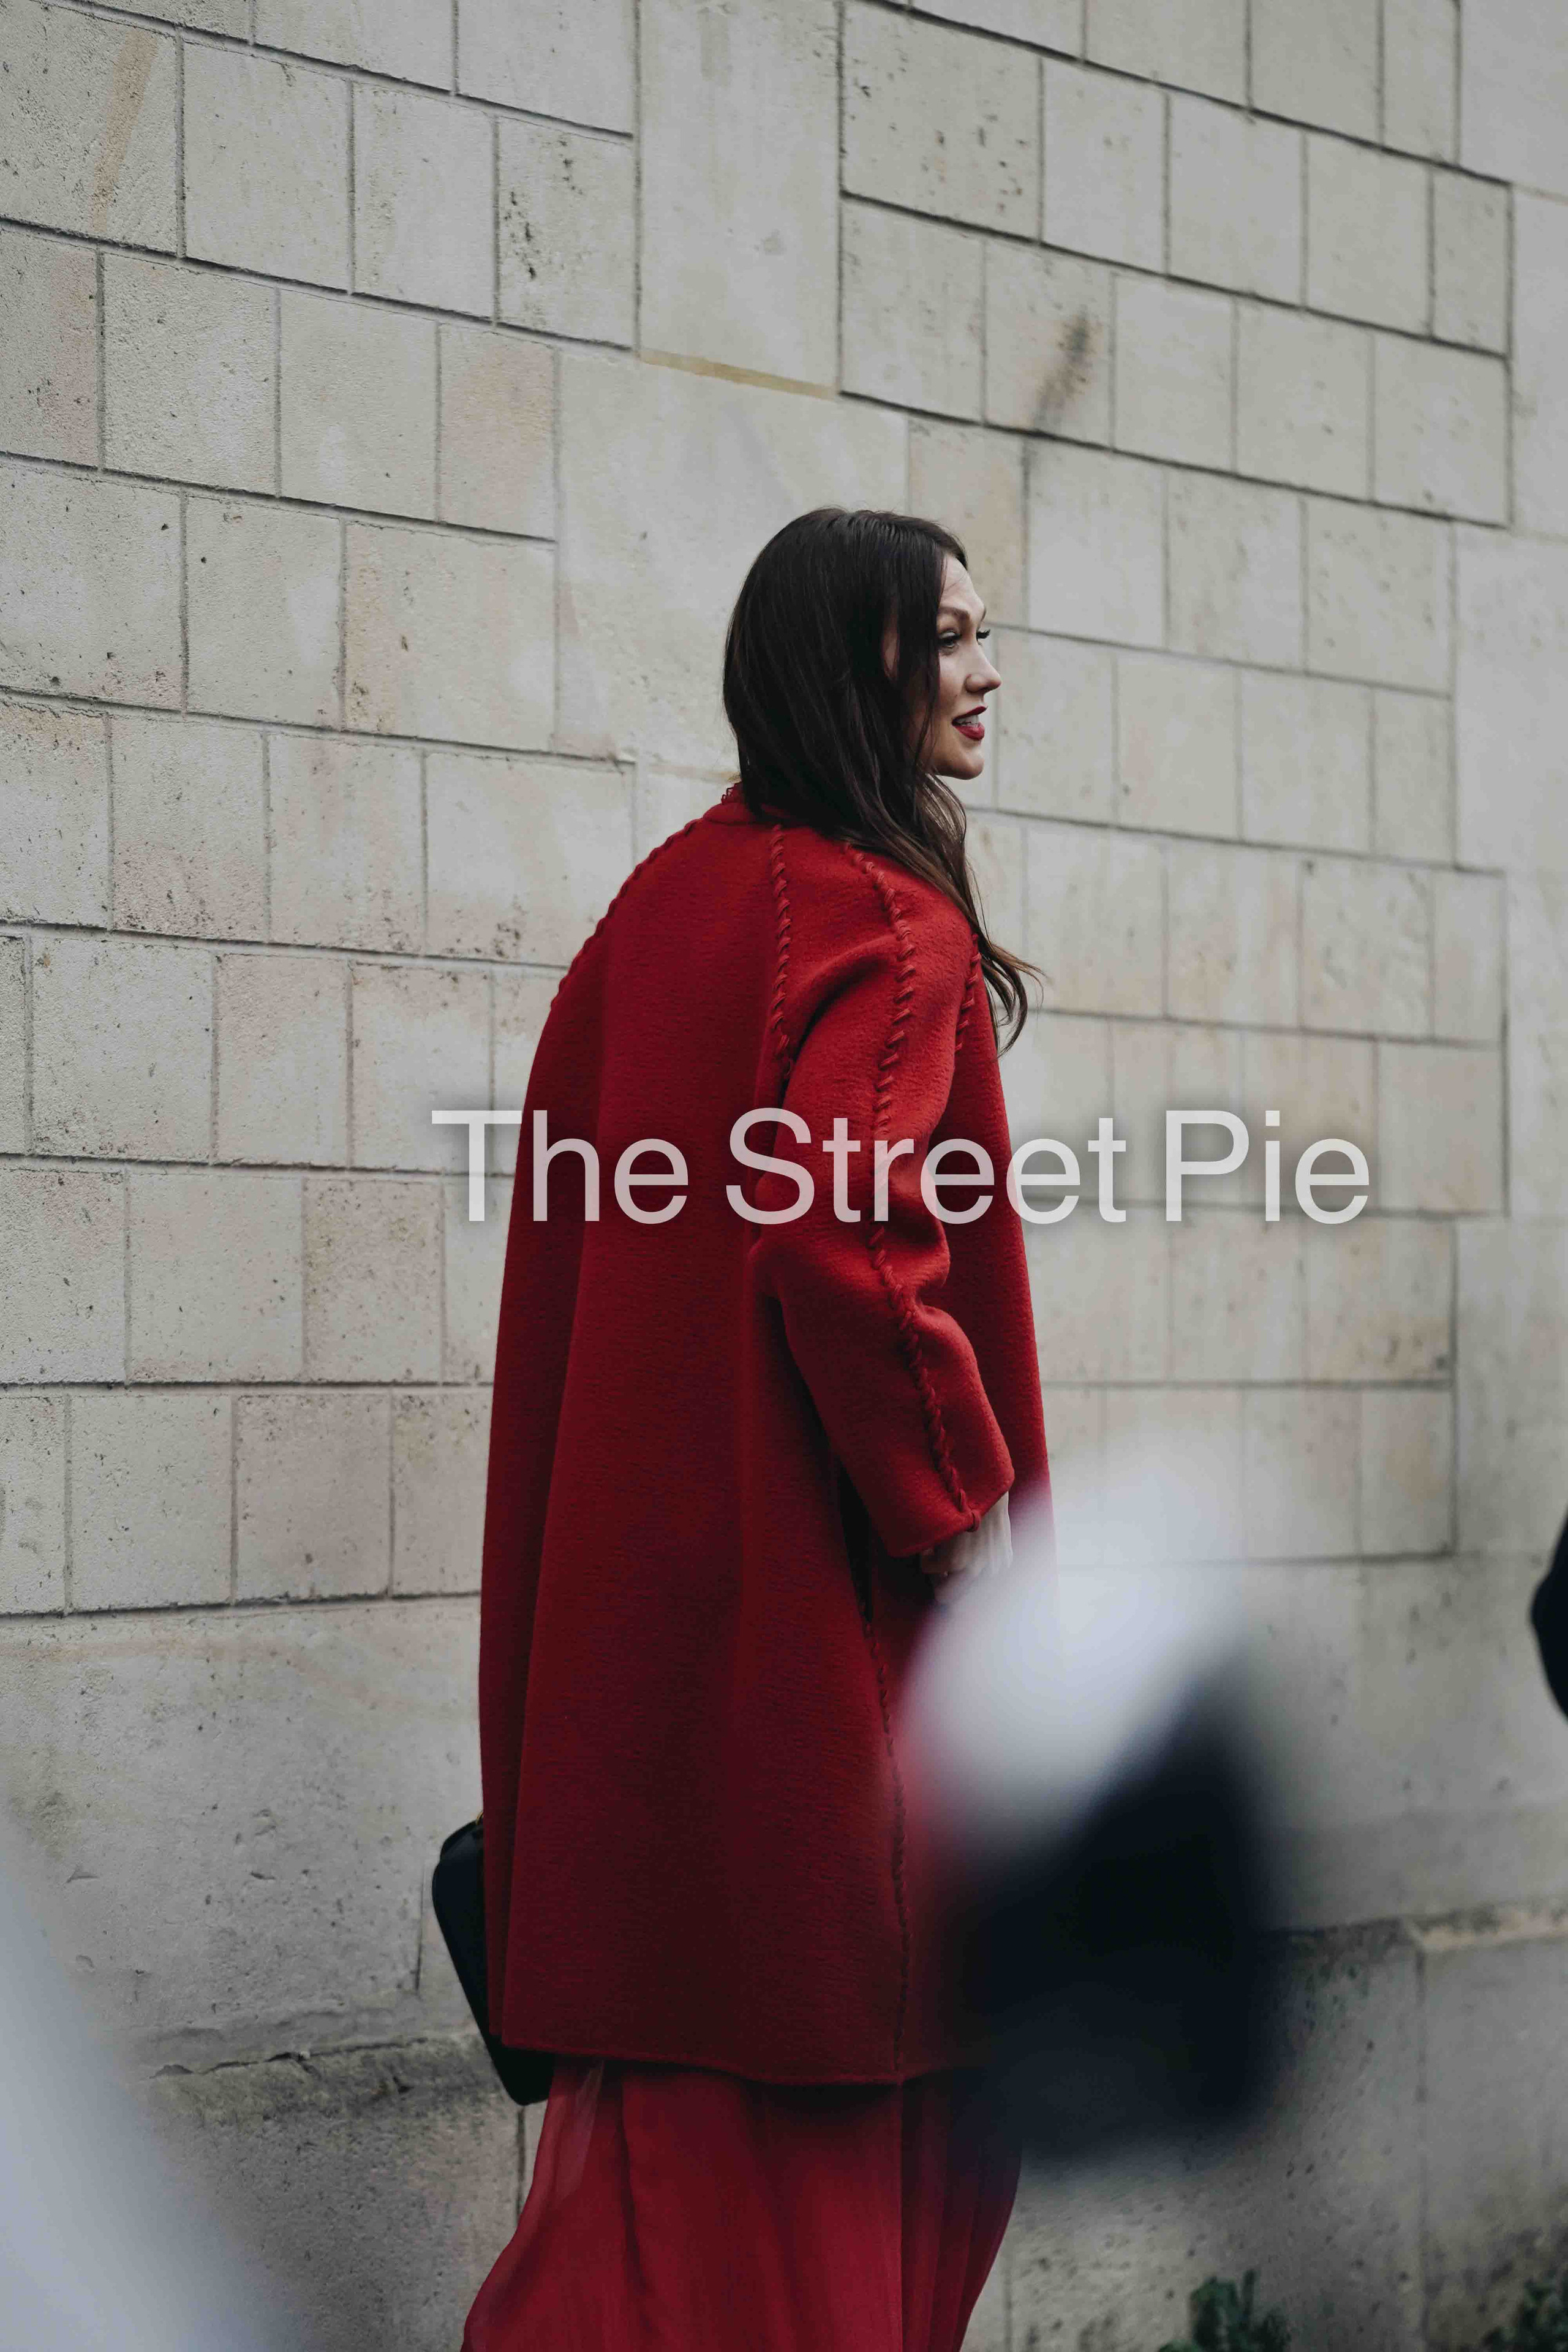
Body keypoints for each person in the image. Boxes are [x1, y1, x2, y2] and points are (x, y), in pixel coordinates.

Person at [463, 508, 1050, 2352]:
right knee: (859, 2213)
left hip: (641, 1723)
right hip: (828, 1706)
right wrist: (961, 1519)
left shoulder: (652, 917)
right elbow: (844, 1227)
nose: (985, 671)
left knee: (648, 2247)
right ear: (854, 663)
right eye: (948, 636)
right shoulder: (886, 921)